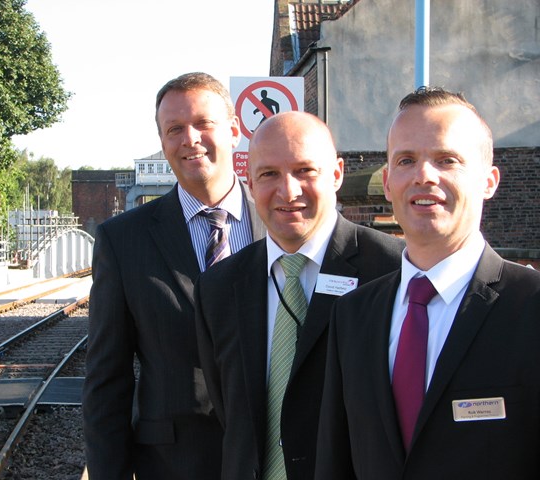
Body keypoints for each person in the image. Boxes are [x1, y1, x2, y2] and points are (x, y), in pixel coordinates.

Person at [314, 87, 540, 479]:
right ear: (387, 182)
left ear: (489, 181)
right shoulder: (353, 315)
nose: (423, 176)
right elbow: (336, 463)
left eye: (446, 159)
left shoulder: (530, 307)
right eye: (406, 160)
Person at [195, 111, 404, 480]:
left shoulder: (391, 272)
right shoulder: (218, 287)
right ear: (250, 181)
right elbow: (229, 412)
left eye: (305, 170)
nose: (288, 191)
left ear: (337, 174)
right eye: (269, 174)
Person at [83, 72, 266, 480]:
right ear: (163, 141)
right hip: (171, 465)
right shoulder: (123, 240)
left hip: (273, 461)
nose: (190, 139)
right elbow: (106, 380)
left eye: (203, 123)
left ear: (235, 130)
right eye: (175, 129)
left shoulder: (279, 225)